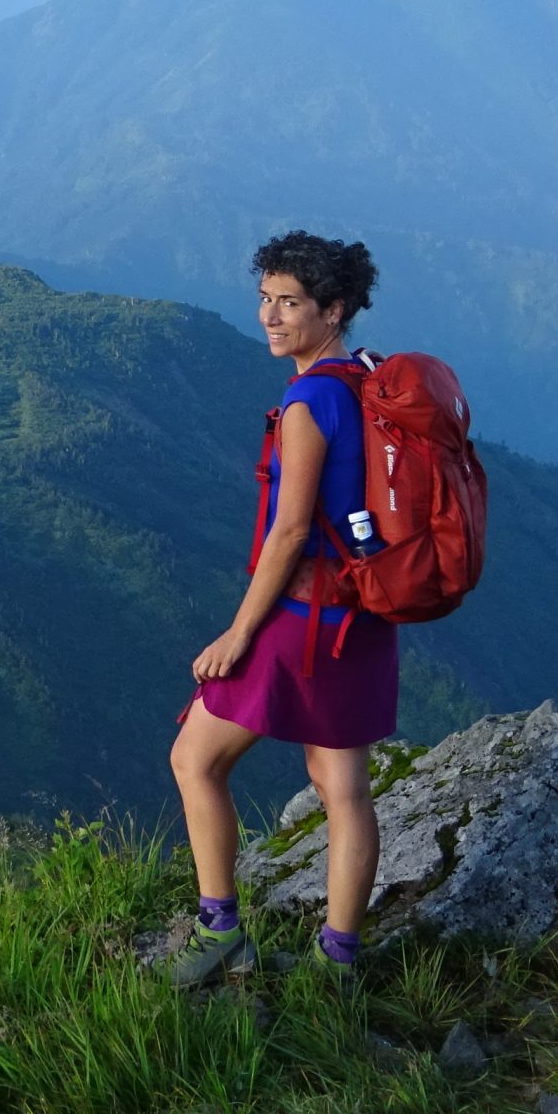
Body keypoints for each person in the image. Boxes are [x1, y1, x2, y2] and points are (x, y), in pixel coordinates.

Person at [165, 230, 394, 985]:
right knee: (344, 790)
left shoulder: (307, 400)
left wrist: (238, 633)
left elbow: (291, 529)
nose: (270, 316)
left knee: (194, 758)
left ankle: (220, 928)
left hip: (299, 622)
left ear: (334, 309)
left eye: (290, 303)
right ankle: (339, 962)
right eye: (265, 299)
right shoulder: (367, 382)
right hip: (359, 616)